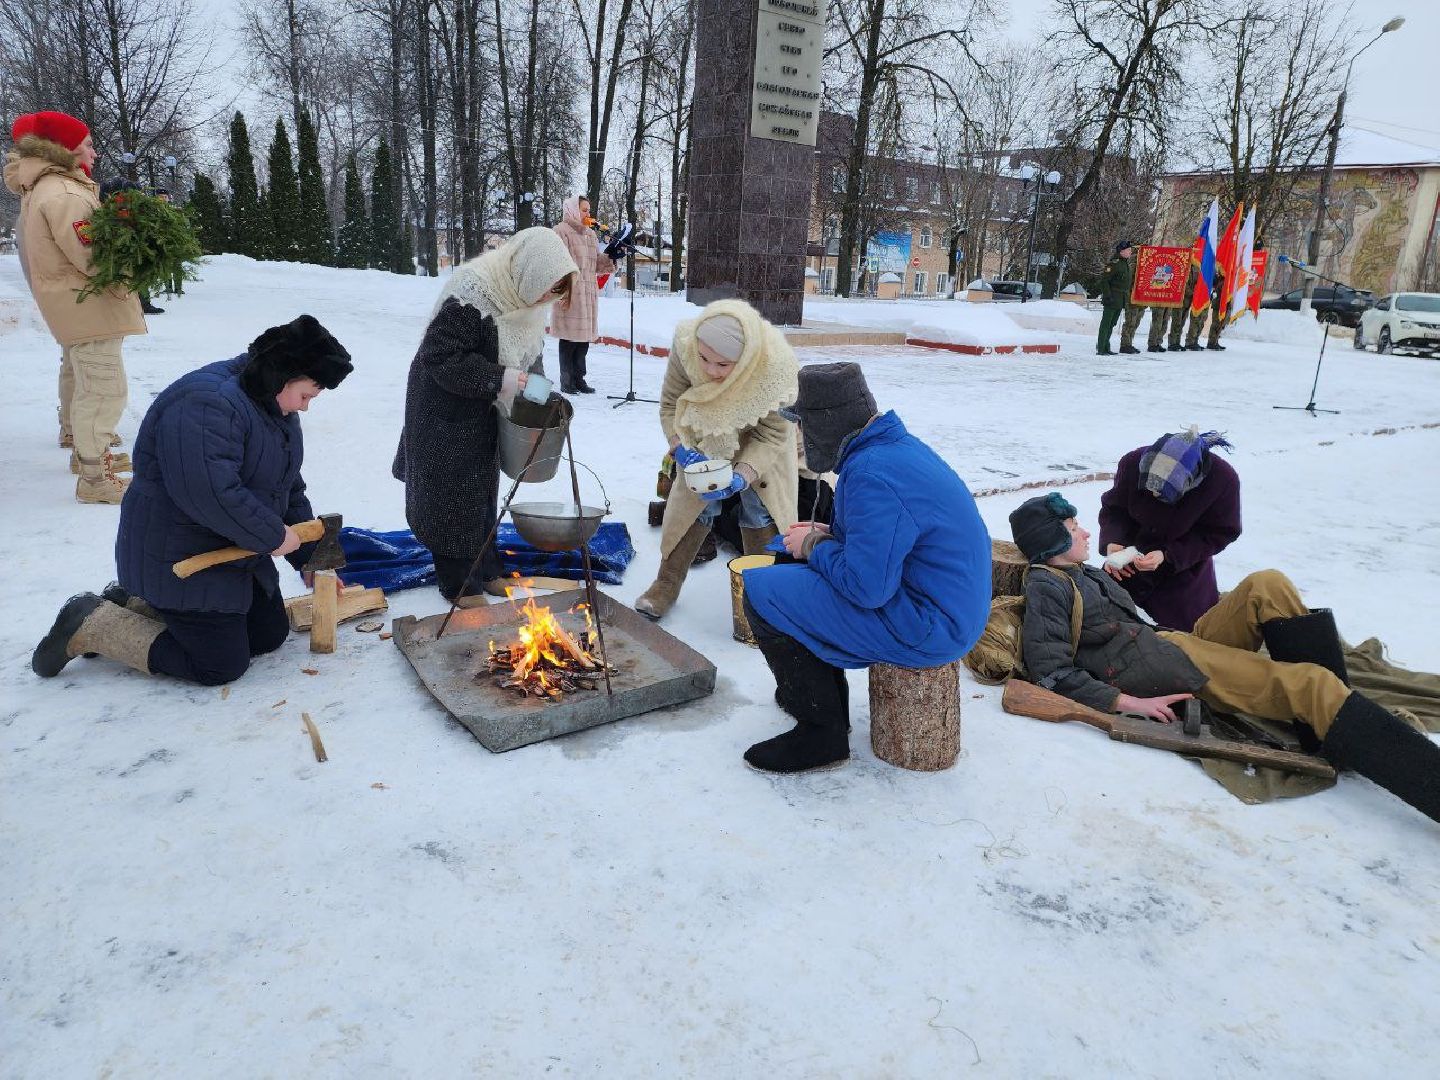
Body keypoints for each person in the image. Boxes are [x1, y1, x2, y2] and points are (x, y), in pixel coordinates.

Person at [1009, 492, 1439, 823]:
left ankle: (1326, 721)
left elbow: (1120, 618)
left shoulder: (1079, 571)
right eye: (1072, 526)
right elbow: (1052, 671)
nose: (1085, 532)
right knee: (1312, 682)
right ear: (1051, 541)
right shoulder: (1049, 586)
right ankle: (1334, 711)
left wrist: (1122, 573)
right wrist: (1126, 703)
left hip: (1167, 641)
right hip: (1161, 664)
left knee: (1266, 584)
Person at [31, 315, 353, 686]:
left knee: (268, 636)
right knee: (219, 665)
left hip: (231, 552)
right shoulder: (205, 404)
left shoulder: (271, 404)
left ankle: (137, 605)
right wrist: (272, 536)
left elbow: (285, 485)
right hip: (178, 555)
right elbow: (210, 494)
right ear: (283, 374)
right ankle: (92, 621)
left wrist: (307, 559)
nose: (306, 407)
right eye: (307, 395)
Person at [739, 363, 992, 773]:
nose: (799, 438)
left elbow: (867, 588)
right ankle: (808, 691)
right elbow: (893, 536)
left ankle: (822, 732)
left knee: (763, 590)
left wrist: (818, 543)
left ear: (826, 425)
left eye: (803, 426)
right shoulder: (890, 450)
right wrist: (827, 535)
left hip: (932, 626)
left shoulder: (871, 474)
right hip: (940, 605)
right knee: (785, 557)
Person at [393, 227, 578, 602]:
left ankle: (486, 564)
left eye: (557, 290)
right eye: (547, 286)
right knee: (451, 496)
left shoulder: (523, 300)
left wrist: (542, 395)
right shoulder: (471, 297)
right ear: (528, 271)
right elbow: (441, 358)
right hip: (443, 407)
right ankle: (458, 581)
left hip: (484, 404)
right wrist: (504, 379)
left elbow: (527, 356)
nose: (549, 296)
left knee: (481, 488)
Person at [4, 111, 146, 503]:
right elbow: (95, 258)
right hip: (88, 305)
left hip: (75, 305)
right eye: (87, 144)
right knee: (103, 388)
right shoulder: (64, 194)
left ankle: (86, 454)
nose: (95, 152)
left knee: (83, 376)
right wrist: (136, 259)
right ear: (64, 149)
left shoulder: (53, 187)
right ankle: (94, 479)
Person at [635, 299, 799, 620]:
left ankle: (760, 596)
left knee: (759, 509)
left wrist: (742, 474)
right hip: (705, 435)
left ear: (746, 359)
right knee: (693, 506)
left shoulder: (776, 369)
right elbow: (671, 405)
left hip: (760, 445)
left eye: (723, 365)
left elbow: (773, 435)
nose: (710, 371)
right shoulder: (686, 345)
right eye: (704, 359)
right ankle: (665, 584)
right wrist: (679, 446)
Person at [1098, 429, 1241, 632]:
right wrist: (1113, 541)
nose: (1154, 494)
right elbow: (1115, 509)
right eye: (1150, 489)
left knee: (1183, 639)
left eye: (1162, 493)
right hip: (1126, 567)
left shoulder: (1222, 481)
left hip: (1182, 573)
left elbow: (1219, 532)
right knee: (1109, 625)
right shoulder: (1132, 463)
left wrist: (1169, 555)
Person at [549, 194, 616, 394]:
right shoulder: (560, 232)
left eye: (588, 210)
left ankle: (579, 379)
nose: (588, 213)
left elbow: (596, 264)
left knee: (583, 341)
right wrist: (562, 292)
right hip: (570, 293)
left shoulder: (590, 235)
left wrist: (613, 254)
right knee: (569, 340)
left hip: (587, 294)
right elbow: (556, 265)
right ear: (573, 210)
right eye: (584, 210)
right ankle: (566, 381)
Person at [1096, 240, 1134, 355]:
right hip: (1112, 297)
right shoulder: (1114, 263)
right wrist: (1107, 295)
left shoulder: (1125, 263)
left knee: (1112, 324)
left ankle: (1106, 347)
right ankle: (1101, 348)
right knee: (1106, 324)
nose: (1130, 252)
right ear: (1121, 251)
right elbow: (1104, 281)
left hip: (1120, 299)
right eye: (1128, 250)